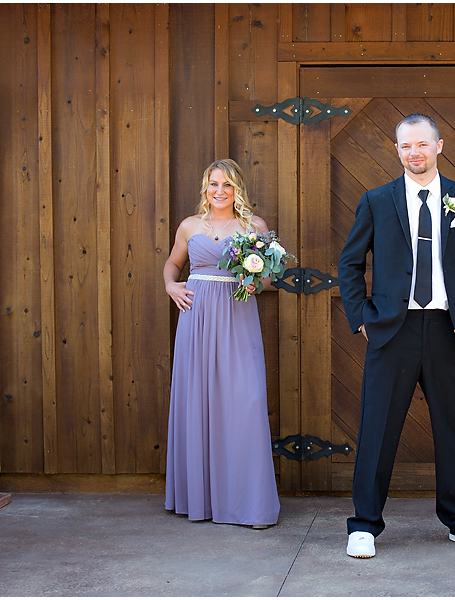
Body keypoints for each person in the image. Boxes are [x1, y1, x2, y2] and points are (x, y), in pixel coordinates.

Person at [337, 113, 455, 558]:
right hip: (394, 330)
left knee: (452, 428)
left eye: (422, 145)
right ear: (397, 150)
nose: (414, 153)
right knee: (378, 429)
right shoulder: (376, 200)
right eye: (406, 146)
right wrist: (363, 318)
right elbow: (349, 264)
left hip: (448, 329)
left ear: (439, 146)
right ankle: (364, 525)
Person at [163, 158, 280, 528]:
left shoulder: (253, 227)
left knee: (245, 400)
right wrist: (170, 286)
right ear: (205, 187)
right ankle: (200, 499)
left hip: (236, 316)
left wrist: (255, 283)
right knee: (197, 400)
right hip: (195, 318)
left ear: (237, 190)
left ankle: (248, 503)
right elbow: (172, 265)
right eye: (214, 184)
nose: (220, 191)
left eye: (227, 185)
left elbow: (270, 278)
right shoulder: (189, 226)